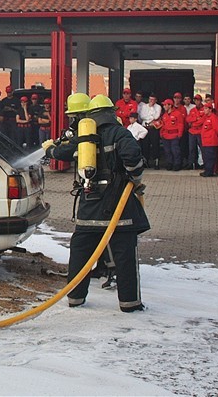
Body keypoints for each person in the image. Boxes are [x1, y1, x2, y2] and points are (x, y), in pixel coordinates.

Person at [44, 93, 148, 313]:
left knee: (80, 255)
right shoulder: (120, 133)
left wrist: (49, 149)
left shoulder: (85, 138)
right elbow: (133, 160)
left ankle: (75, 299)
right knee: (125, 257)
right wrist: (134, 178)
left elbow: (62, 152)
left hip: (89, 205)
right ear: (111, 113)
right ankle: (130, 304)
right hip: (119, 209)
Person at [156, 99, 183, 171]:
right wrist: (161, 133)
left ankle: (177, 164)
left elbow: (180, 124)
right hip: (166, 135)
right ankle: (169, 163)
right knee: (167, 151)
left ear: (170, 105)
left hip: (174, 135)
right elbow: (162, 125)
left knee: (175, 151)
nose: (164, 106)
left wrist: (179, 134)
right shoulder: (164, 115)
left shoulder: (178, 114)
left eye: (165, 105)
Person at [138, 94, 162, 169]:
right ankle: (146, 161)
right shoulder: (144, 106)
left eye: (153, 100)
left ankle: (156, 161)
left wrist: (152, 108)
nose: (151, 101)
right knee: (145, 145)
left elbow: (156, 116)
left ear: (156, 100)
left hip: (153, 127)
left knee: (155, 145)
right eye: (150, 99)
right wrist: (150, 117)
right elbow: (142, 116)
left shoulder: (158, 107)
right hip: (145, 127)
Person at [199, 102, 218, 177]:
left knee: (210, 157)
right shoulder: (206, 118)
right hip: (206, 141)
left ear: (210, 109)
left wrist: (212, 137)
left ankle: (209, 172)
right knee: (206, 157)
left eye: (206, 108)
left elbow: (217, 129)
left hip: (211, 141)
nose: (204, 110)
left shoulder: (214, 118)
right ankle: (207, 170)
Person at [186, 95, 204, 170]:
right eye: (195, 100)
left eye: (198, 100)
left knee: (202, 149)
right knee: (191, 149)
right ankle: (191, 163)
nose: (197, 101)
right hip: (192, 132)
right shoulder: (192, 110)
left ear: (201, 100)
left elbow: (202, 121)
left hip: (200, 132)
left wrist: (193, 122)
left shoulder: (204, 109)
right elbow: (188, 119)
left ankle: (203, 163)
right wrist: (196, 119)